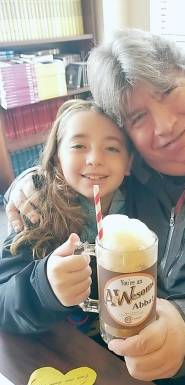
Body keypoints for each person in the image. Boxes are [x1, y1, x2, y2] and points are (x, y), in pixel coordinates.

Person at [4, 29, 185, 385]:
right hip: (126, 381)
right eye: (138, 118)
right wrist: (38, 180)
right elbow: (86, 148)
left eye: (166, 90)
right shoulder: (137, 168)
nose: (163, 127)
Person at [0, 98, 132, 337]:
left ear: (129, 163)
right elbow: (3, 300)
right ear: (57, 157)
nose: (94, 158)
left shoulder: (144, 207)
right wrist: (45, 287)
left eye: (112, 148)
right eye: (79, 146)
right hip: (61, 349)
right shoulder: (36, 211)